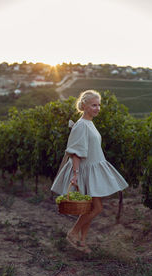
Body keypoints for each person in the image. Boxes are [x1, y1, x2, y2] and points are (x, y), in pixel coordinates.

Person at [51, 90, 128, 254]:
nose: (97, 108)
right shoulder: (80, 125)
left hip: (94, 168)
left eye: (98, 105)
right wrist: (76, 174)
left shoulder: (89, 123)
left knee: (89, 208)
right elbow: (75, 152)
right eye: (94, 105)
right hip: (86, 170)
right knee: (97, 208)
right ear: (84, 106)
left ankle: (82, 241)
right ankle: (73, 233)